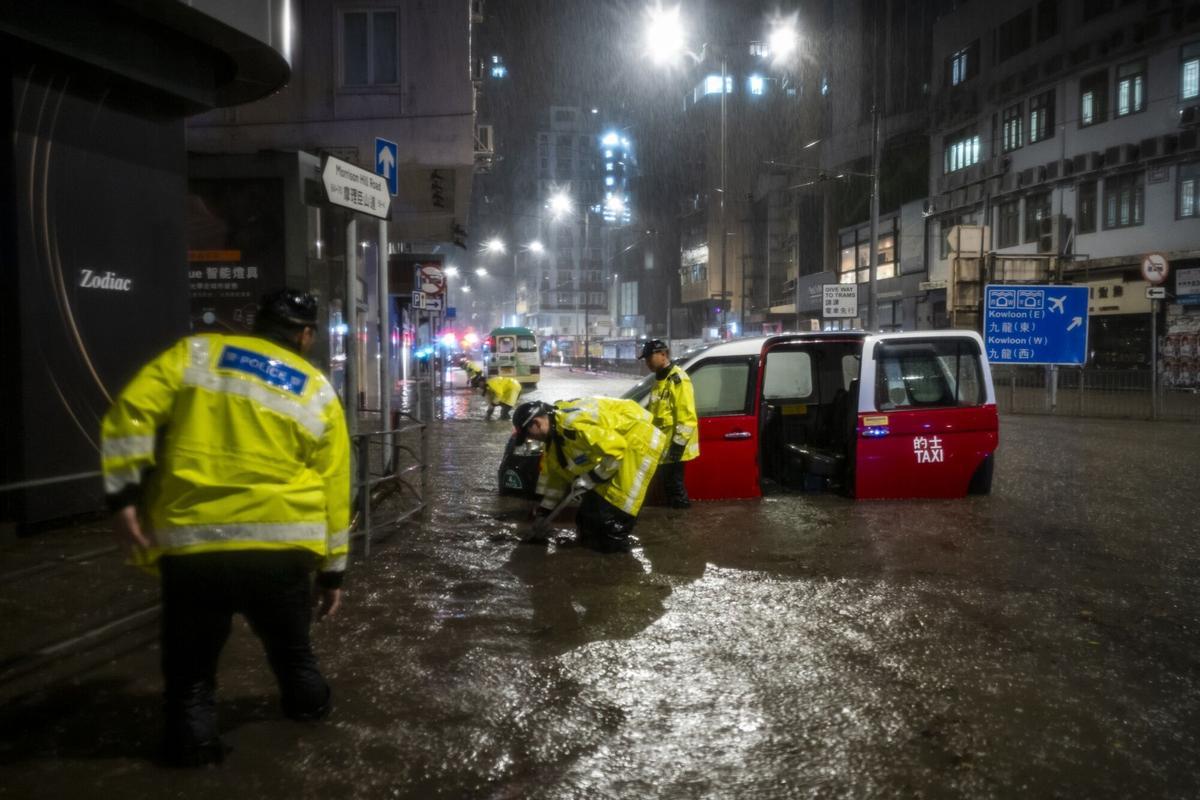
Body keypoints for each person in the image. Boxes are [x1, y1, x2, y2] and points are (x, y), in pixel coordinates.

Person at [100, 288, 350, 767]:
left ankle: (193, 752)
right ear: (305, 335)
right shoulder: (315, 388)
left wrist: (124, 498)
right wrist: (333, 573)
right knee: (294, 655)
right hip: (283, 548)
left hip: (194, 546)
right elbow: (335, 487)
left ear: (256, 324)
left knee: (190, 673)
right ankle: (312, 716)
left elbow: (130, 414)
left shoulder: (196, 354)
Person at [512, 397, 666, 552]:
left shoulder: (572, 426)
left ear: (537, 423)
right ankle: (591, 555)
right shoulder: (553, 438)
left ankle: (618, 561)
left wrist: (590, 478)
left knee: (611, 521)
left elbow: (617, 449)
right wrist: (543, 513)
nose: (530, 439)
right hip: (612, 457)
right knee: (586, 520)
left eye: (528, 435)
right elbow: (556, 480)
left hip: (637, 445)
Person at [639, 339, 700, 509]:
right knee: (668, 489)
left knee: (675, 490)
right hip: (663, 448)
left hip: (674, 448)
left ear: (663, 355)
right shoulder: (660, 380)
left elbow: (686, 416)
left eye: (649, 358)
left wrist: (678, 446)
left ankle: (680, 525)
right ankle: (675, 524)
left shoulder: (678, 379)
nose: (647, 363)